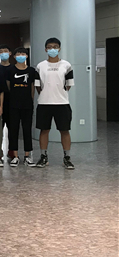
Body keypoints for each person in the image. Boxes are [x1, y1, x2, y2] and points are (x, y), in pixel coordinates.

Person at [34, 38, 75, 169]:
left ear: (59, 48)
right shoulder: (40, 66)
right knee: (44, 130)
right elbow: (37, 85)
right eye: (50, 47)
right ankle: (43, 157)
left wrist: (59, 93)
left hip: (62, 103)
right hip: (44, 103)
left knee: (65, 130)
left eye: (55, 47)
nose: (53, 49)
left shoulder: (66, 65)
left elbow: (69, 84)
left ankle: (67, 157)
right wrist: (45, 94)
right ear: (45, 49)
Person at [6, 47, 38, 167]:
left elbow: (32, 87)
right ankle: (15, 156)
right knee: (13, 130)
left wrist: (30, 100)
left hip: (27, 104)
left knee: (27, 129)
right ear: (14, 56)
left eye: (23, 54)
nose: (21, 56)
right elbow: (8, 86)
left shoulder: (31, 70)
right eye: (18, 54)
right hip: (13, 104)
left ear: (26, 56)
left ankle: (27, 156)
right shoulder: (10, 70)